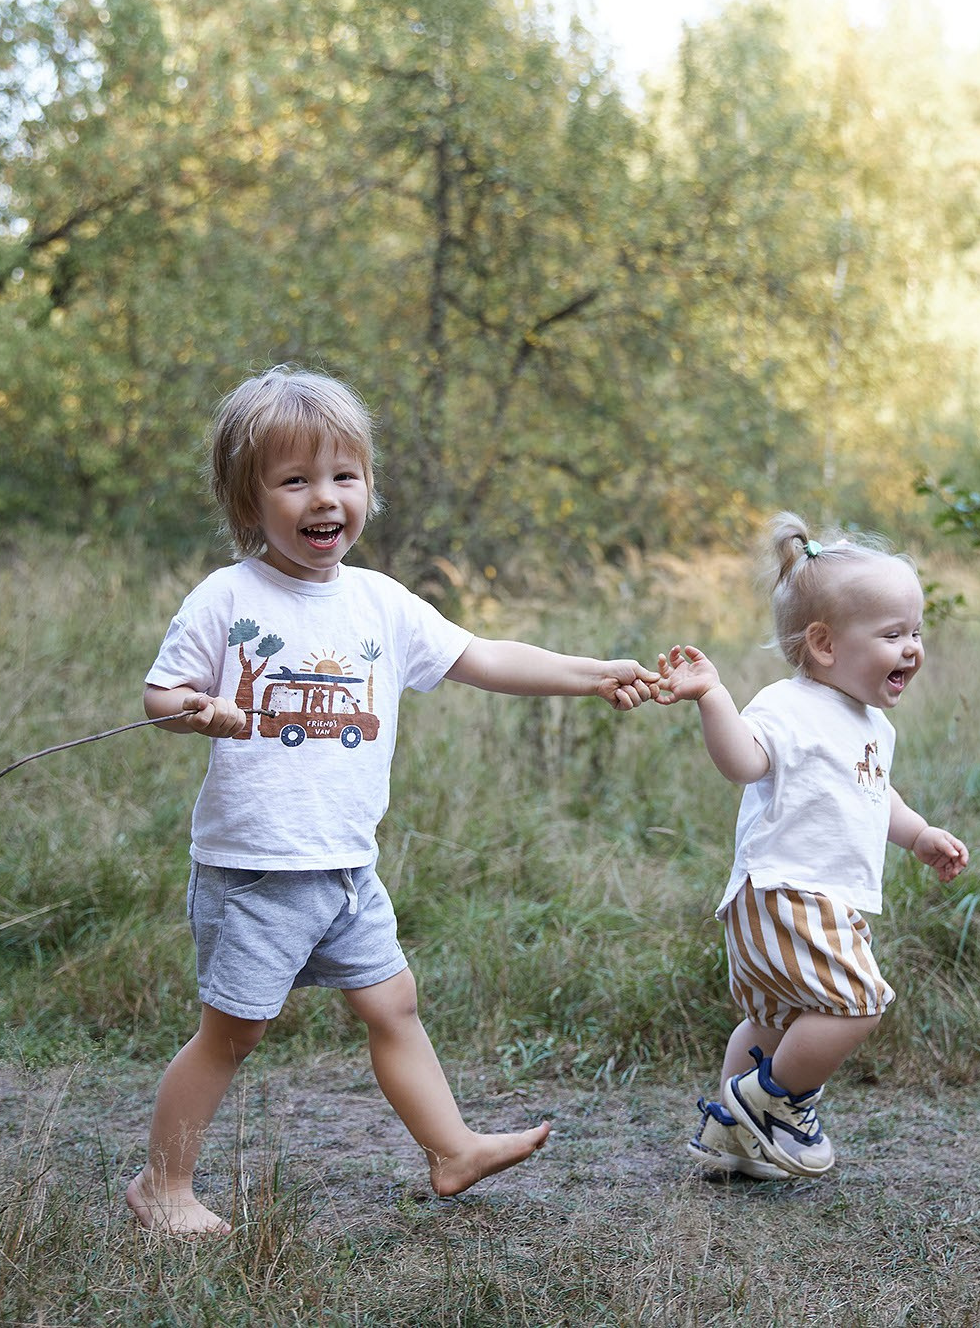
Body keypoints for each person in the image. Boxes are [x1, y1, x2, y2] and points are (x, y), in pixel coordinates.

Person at [126, 365, 659, 1234]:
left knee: (393, 1003)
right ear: (246, 497)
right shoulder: (228, 598)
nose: (324, 497)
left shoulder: (380, 603)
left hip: (345, 867)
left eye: (344, 475)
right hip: (260, 866)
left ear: (368, 485)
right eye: (294, 479)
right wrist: (197, 709)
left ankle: (451, 1148)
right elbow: (161, 696)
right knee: (231, 1034)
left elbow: (483, 655)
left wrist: (592, 674)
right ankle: (164, 1187)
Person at [655, 512, 968, 1180]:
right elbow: (743, 761)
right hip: (787, 891)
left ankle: (729, 1138)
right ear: (824, 644)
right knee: (858, 1000)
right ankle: (769, 1102)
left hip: (805, 900)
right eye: (893, 634)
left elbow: (872, 794)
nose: (912, 647)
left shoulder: (870, 725)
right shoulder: (788, 705)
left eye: (916, 631)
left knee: (770, 1025)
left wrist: (918, 835)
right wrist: (714, 697)